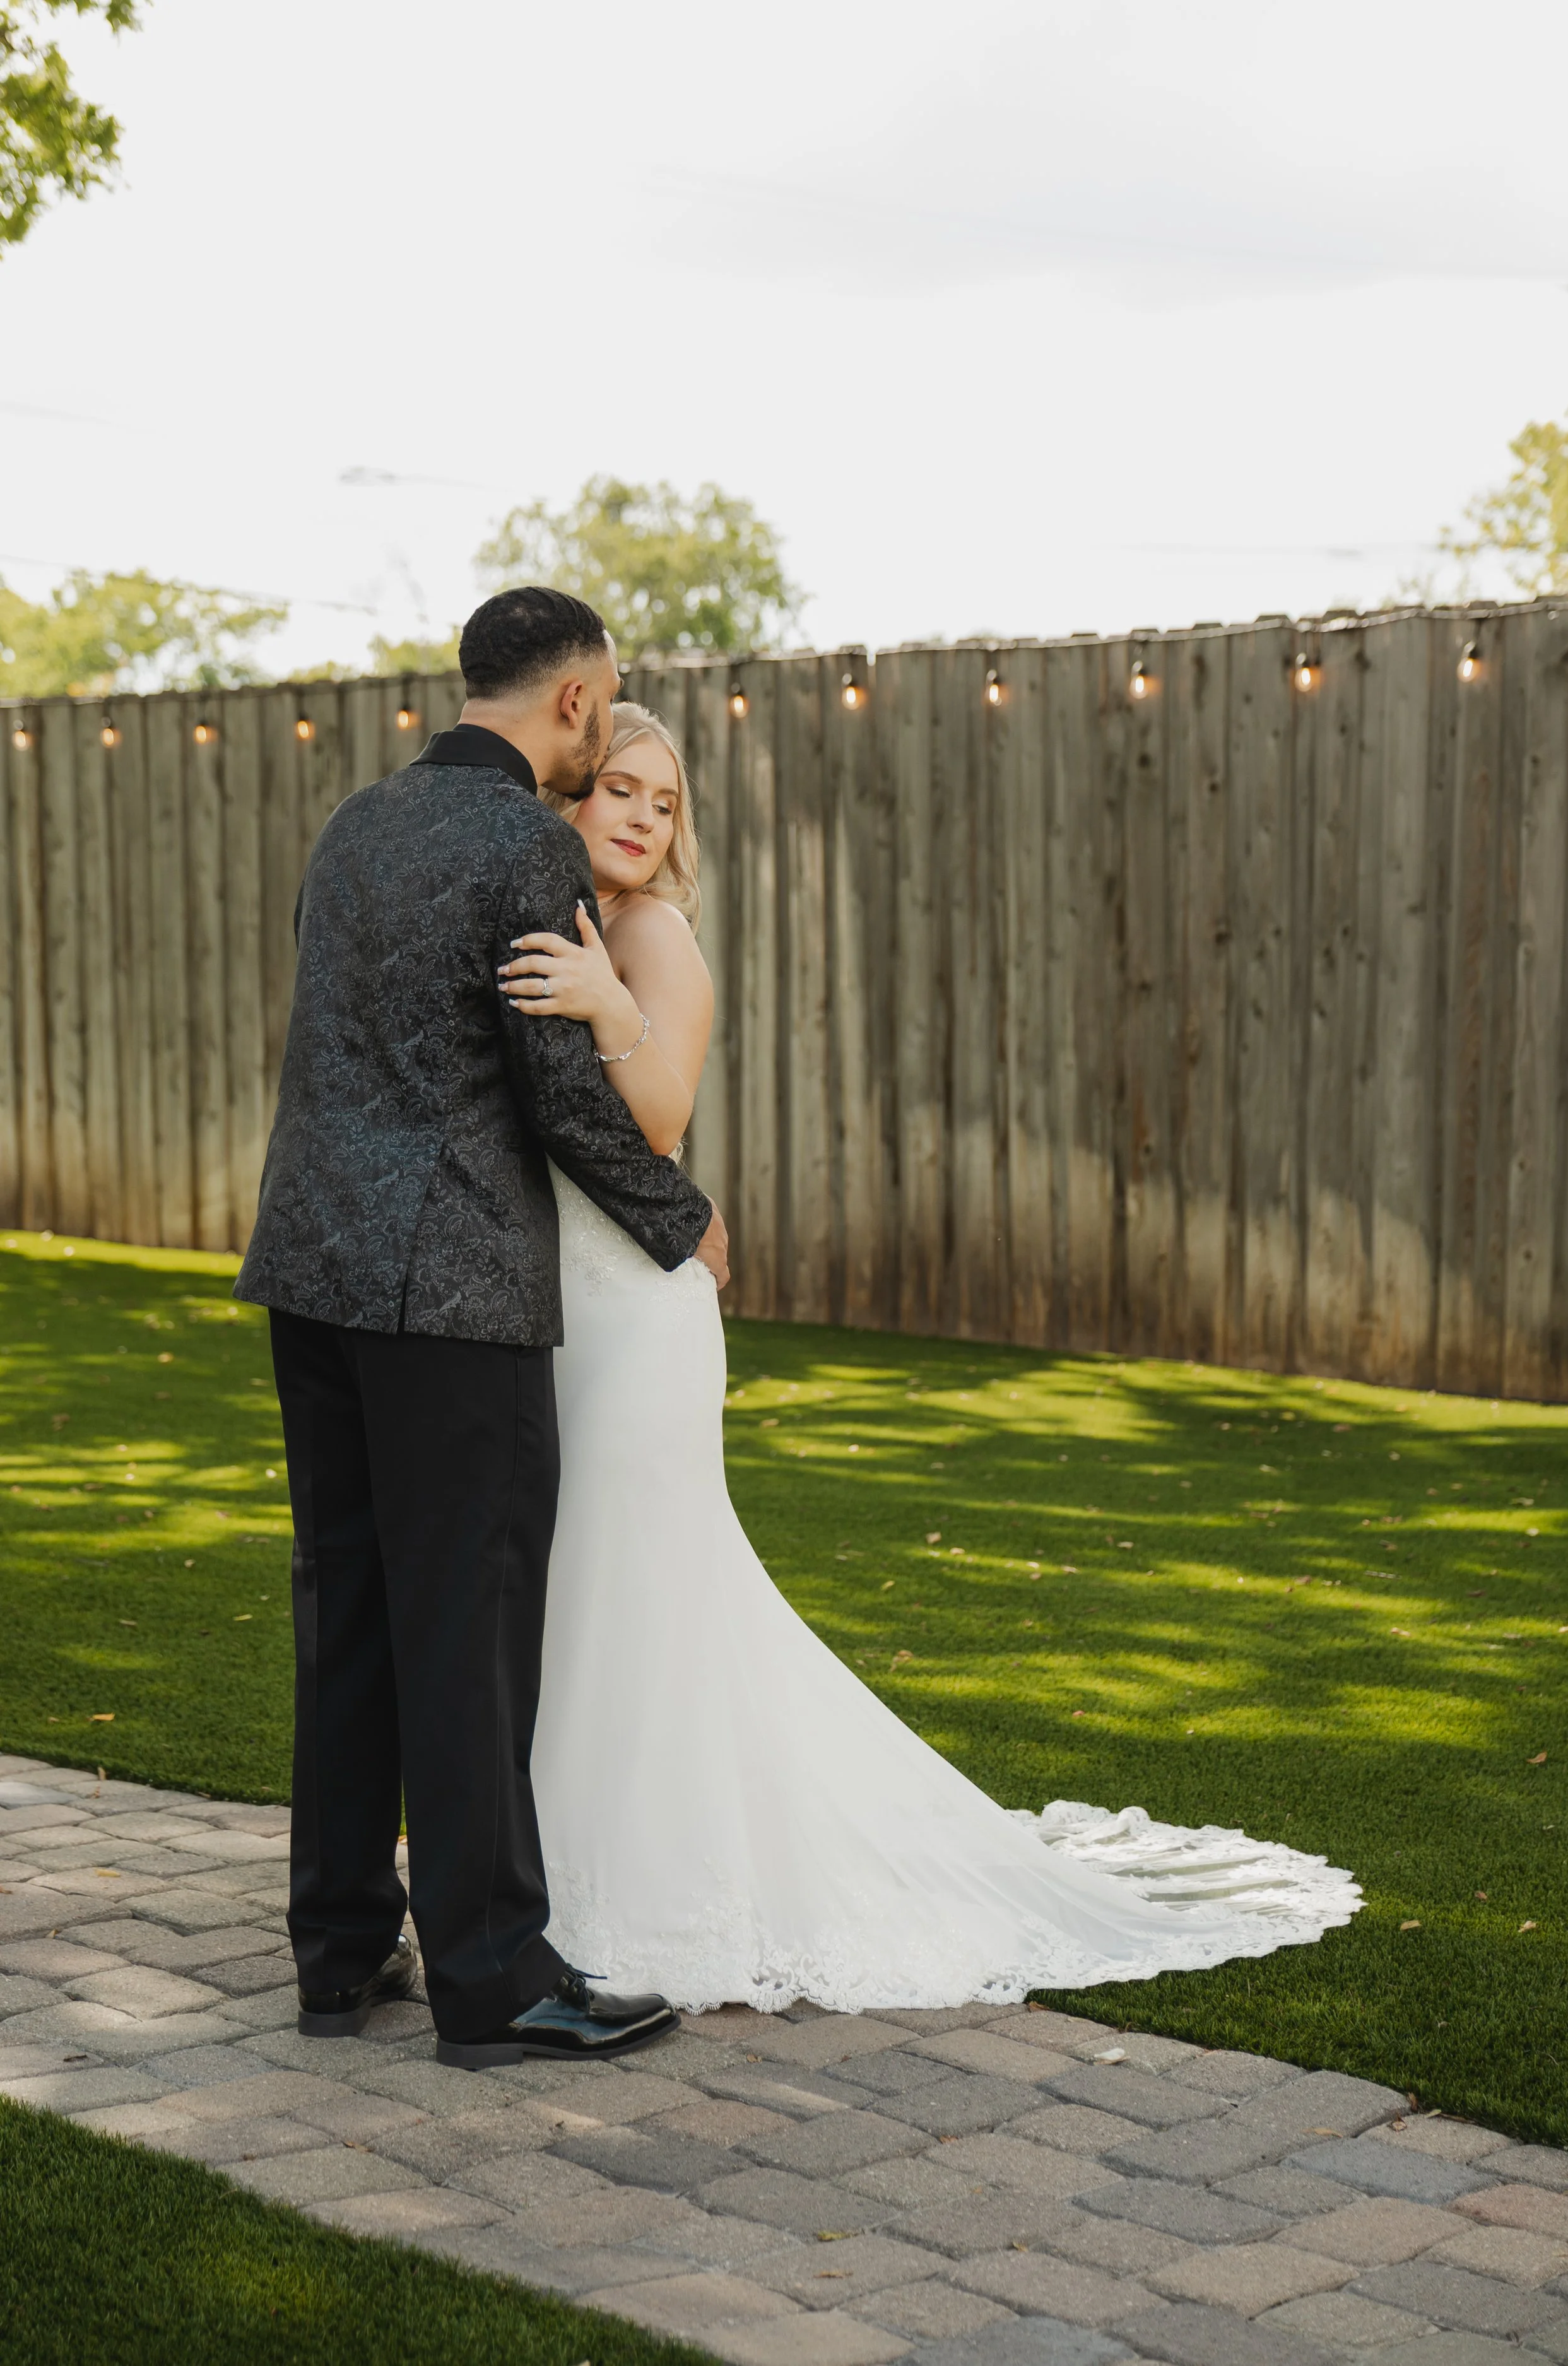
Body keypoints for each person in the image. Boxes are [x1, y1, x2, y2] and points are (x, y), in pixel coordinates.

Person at [496, 702, 1362, 2013]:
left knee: (637, 1585)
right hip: (562, 1297)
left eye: (661, 803)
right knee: (581, 1587)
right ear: (568, 790)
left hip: (640, 1310)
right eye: (616, 788)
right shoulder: (562, 920)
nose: (637, 817)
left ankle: (640, 1883)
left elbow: (663, 1112)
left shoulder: (651, 936)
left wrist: (607, 996)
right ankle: (544, 1867)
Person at [235, 588, 731, 2069]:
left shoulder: (353, 825)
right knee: (470, 1628)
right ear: (576, 700)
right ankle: (496, 1978)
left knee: (350, 1616)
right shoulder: (522, 842)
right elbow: (561, 1093)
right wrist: (677, 1216)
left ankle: (336, 1949)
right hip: (446, 1293)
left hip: (309, 1274)